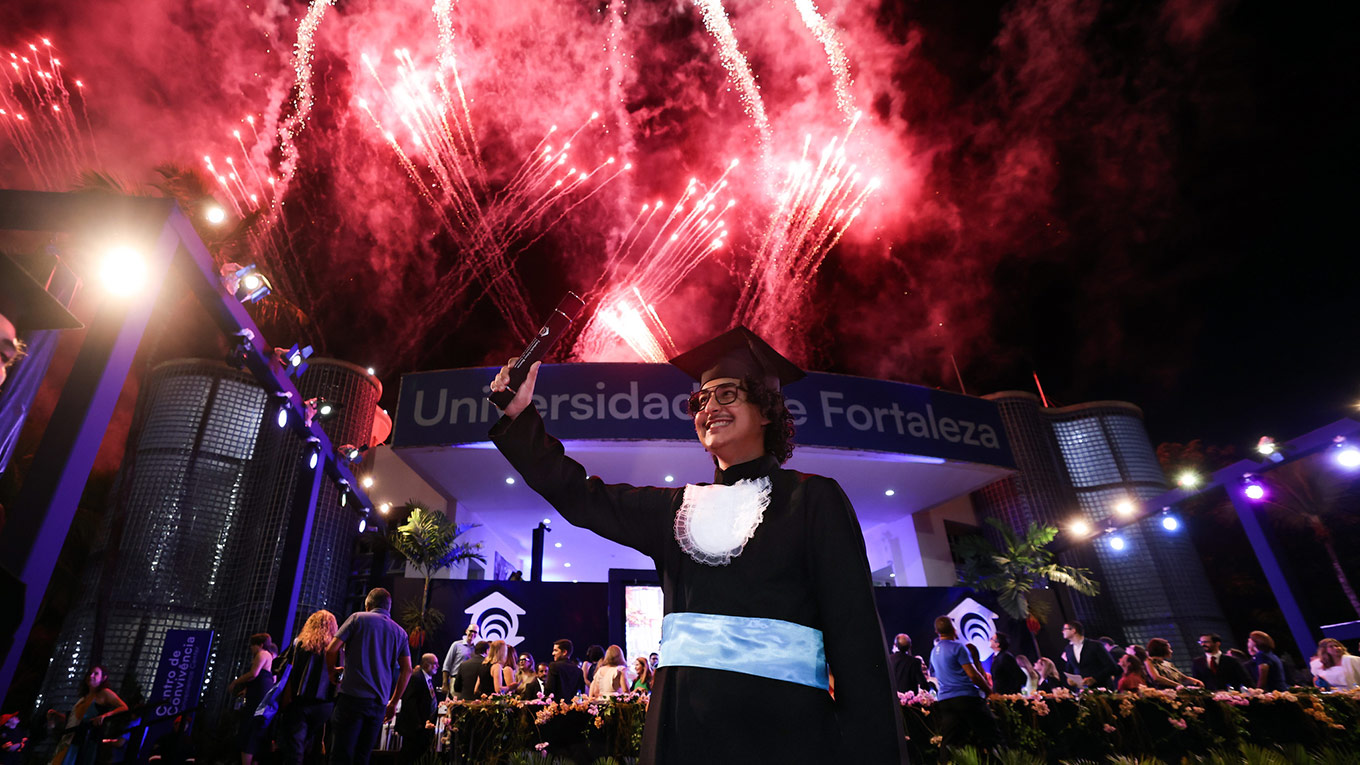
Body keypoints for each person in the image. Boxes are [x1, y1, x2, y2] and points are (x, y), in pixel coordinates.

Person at [489, 326, 907, 763]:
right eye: (701, 400)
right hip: (681, 736)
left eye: (727, 394)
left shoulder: (813, 499)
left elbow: (858, 647)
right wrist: (521, 418)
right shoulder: (676, 509)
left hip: (786, 735)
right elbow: (579, 495)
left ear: (766, 411)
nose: (709, 408)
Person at [326, 588, 414, 765]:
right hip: (378, 705)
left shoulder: (357, 618)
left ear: (368, 604)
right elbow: (408, 669)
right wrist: (394, 702)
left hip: (351, 698)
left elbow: (331, 649)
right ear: (389, 608)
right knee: (363, 757)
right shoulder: (400, 632)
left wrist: (331, 670)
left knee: (341, 754)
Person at [277, 610, 341, 765]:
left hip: (299, 702)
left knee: (295, 748)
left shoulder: (299, 643)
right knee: (315, 748)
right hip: (325, 706)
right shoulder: (337, 650)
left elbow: (283, 669)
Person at [929, 616, 1000, 754]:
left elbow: (936, 675)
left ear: (937, 631)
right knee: (991, 735)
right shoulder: (958, 647)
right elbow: (973, 674)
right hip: (966, 698)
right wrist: (989, 691)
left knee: (949, 742)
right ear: (954, 629)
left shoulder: (934, 652)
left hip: (945, 701)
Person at [49, 665, 128, 765]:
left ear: (103, 678)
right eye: (90, 673)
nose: (91, 676)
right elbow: (75, 720)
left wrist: (105, 716)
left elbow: (123, 707)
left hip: (84, 741)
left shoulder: (104, 693)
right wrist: (57, 715)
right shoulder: (84, 697)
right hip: (69, 739)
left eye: (96, 674)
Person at [228, 633, 277, 765]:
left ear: (260, 645)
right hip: (260, 698)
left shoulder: (262, 654)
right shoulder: (268, 657)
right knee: (254, 730)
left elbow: (254, 674)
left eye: (252, 645)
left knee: (249, 730)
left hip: (257, 700)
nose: (251, 648)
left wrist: (236, 682)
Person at [396, 654, 440, 765]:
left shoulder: (428, 679)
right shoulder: (416, 677)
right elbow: (409, 702)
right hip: (414, 728)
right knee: (409, 756)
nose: (438, 666)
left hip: (423, 728)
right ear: (426, 664)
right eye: (435, 663)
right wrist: (419, 724)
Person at [1060, 621, 1119, 689]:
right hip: (1082, 690)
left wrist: (1094, 679)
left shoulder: (1095, 645)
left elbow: (1112, 667)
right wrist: (1069, 679)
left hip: (1101, 688)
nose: (1062, 631)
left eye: (1064, 629)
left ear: (1073, 630)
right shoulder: (1068, 649)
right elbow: (1070, 669)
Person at [442, 624, 479, 695]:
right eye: (471, 631)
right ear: (466, 631)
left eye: (475, 632)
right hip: (455, 679)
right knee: (456, 702)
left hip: (470, 682)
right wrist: (445, 684)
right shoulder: (456, 645)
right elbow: (446, 665)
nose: (472, 634)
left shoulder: (476, 649)